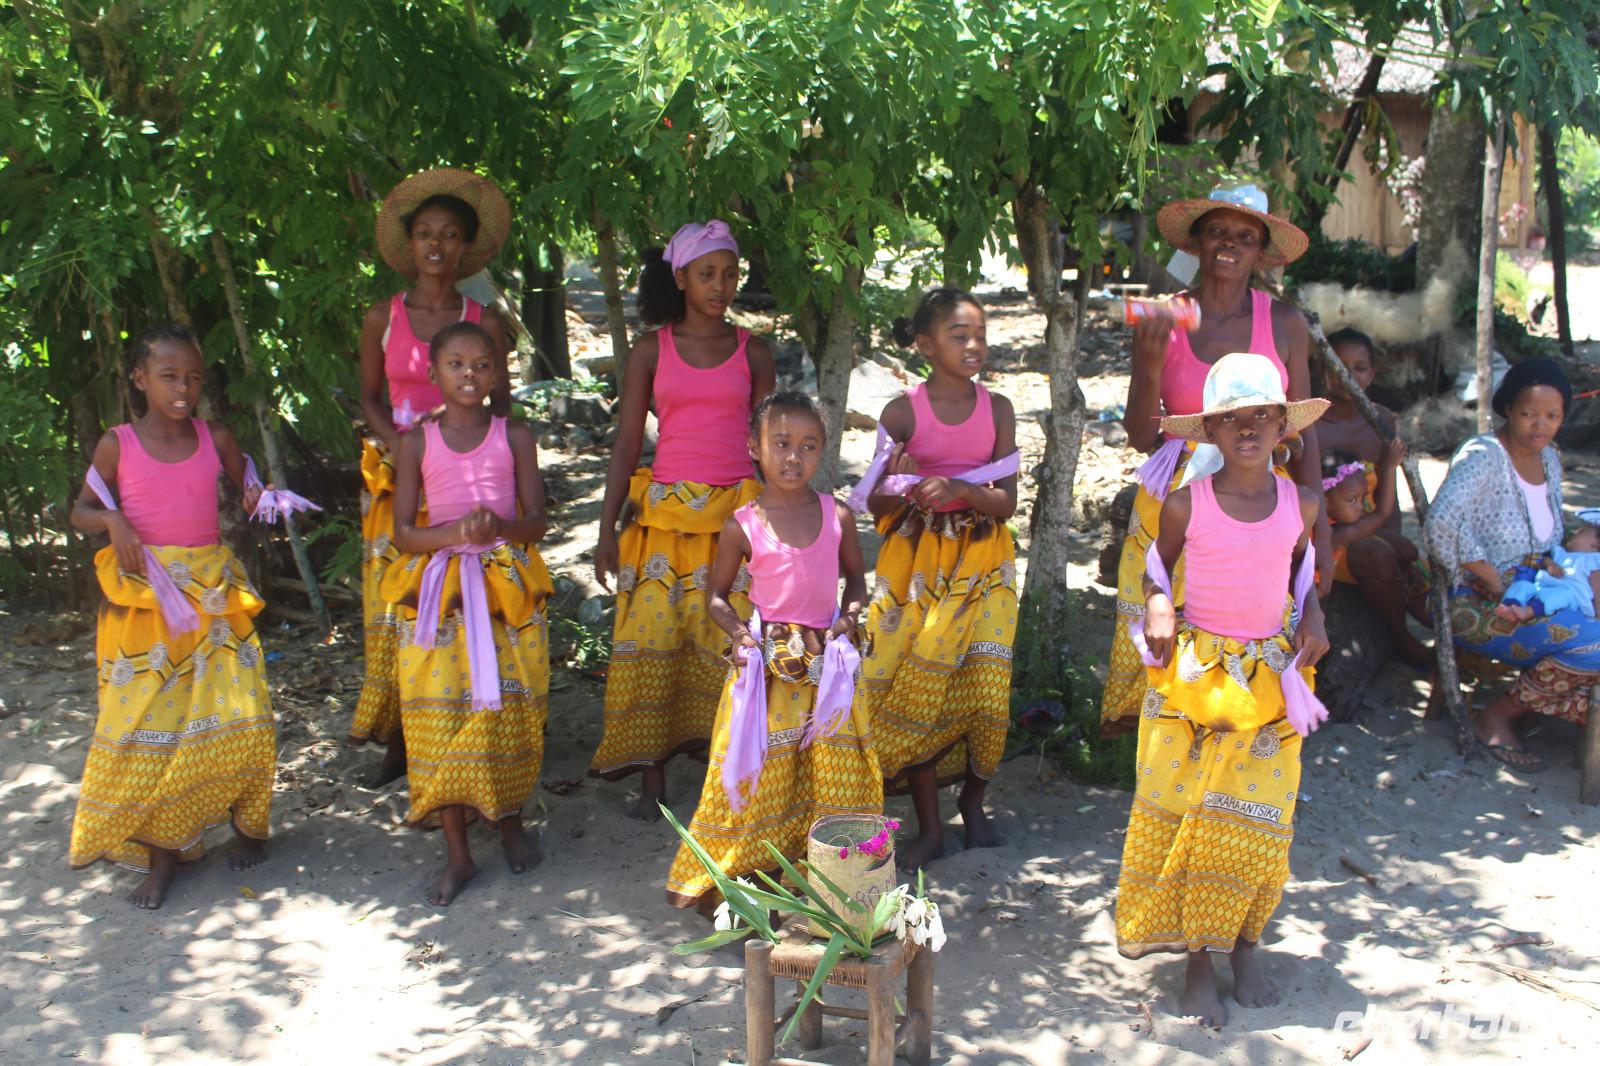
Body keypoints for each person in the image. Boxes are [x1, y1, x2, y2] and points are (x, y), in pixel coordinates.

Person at [1114, 352, 1330, 1029]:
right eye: (1231, 419)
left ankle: (1246, 945)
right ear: (1209, 430)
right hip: (1197, 681)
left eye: (1261, 415)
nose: (1248, 428)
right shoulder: (1186, 503)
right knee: (1194, 819)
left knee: (1259, 823)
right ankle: (1198, 962)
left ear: (1281, 428)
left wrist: (1316, 620)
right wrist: (1157, 606)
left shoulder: (1304, 502)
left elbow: (1305, 580)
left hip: (1268, 682)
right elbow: (1156, 571)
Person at [1102, 184, 1330, 738]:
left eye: (1245, 237)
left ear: (1260, 252)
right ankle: (1161, 754)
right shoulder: (1164, 318)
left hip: (1259, 496)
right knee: (1159, 621)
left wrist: (1321, 526)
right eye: (1218, 232)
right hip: (1175, 498)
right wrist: (1153, 360)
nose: (1230, 244)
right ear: (1198, 243)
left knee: (1248, 623)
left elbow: (1303, 432)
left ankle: (1238, 752)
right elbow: (1138, 436)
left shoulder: (1285, 323)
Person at [68, 325, 277, 910]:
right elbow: (81, 508)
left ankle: (249, 828)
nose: (183, 387)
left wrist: (257, 491)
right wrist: (114, 523)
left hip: (212, 594)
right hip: (148, 604)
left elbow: (247, 476)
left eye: (193, 377)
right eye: (168, 376)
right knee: (158, 725)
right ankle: (163, 855)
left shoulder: (216, 436)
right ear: (140, 378)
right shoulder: (119, 444)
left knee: (239, 710)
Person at [589, 221, 776, 820]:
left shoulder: (755, 352)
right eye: (707, 274)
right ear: (680, 278)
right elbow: (625, 444)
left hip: (734, 520)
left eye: (729, 273)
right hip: (663, 523)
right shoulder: (652, 349)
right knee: (655, 641)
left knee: (732, 646)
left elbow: (771, 444)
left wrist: (783, 530)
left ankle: (727, 776)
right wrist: (604, 528)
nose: (721, 286)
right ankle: (652, 780)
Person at [665, 392, 880, 911]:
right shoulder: (742, 523)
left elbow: (856, 582)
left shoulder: (839, 517)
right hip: (766, 673)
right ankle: (733, 882)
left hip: (826, 670)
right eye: (781, 443)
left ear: (823, 453)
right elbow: (716, 596)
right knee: (757, 776)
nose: (793, 457)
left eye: (808, 446)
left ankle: (827, 882)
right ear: (754, 448)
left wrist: (849, 619)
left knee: (829, 771)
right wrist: (740, 635)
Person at [351, 168, 512, 788]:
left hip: (465, 485)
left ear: (465, 245)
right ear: (409, 243)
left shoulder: (483, 320)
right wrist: (403, 448)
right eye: (424, 234)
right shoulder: (381, 318)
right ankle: (399, 740)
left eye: (449, 234)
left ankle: (465, 729)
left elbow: (502, 408)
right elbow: (369, 397)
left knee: (461, 608)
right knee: (398, 607)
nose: (436, 245)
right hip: (398, 479)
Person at [381, 321, 550, 905]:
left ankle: (509, 822)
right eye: (456, 364)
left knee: (509, 708)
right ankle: (457, 852)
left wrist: (499, 529)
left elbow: (537, 521)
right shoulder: (414, 443)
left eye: (482, 364)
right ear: (433, 374)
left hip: (505, 590)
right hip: (441, 596)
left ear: (497, 373)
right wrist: (454, 532)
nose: (470, 375)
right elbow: (403, 533)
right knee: (438, 719)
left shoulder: (516, 436)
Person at [853, 288, 1019, 870]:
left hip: (983, 566)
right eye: (959, 335)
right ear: (924, 345)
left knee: (985, 688)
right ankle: (930, 825)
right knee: (916, 683)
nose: (975, 345)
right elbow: (871, 502)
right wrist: (895, 481)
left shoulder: (997, 409)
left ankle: (974, 807)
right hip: (917, 570)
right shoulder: (902, 413)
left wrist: (962, 490)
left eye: (981, 334)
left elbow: (1007, 501)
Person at [1425, 358, 1600, 771]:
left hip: (1537, 590)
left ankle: (1553, 699)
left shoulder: (1550, 459)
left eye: (1552, 416)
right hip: (1478, 602)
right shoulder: (1484, 455)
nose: (1541, 426)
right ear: (1507, 407)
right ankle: (1498, 715)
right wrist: (1491, 577)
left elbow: (1551, 536)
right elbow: (1441, 522)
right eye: (1529, 414)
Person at [1323, 444, 1433, 670]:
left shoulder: (1337, 522)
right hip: (1312, 596)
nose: (1361, 507)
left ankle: (1451, 634)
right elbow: (1381, 514)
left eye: (1364, 497)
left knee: (1412, 570)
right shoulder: (1335, 534)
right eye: (1352, 500)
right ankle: (1407, 638)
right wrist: (1390, 468)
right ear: (1323, 500)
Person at [1496, 523, 1600, 621]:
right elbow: (1542, 559)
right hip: (1541, 586)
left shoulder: (1594, 559)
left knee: (1561, 595)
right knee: (1521, 585)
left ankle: (1528, 611)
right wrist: (1550, 564)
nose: (1572, 535)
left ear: (1596, 543)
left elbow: (1597, 585)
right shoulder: (1561, 552)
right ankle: (1510, 606)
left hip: (1572, 595)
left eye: (1578, 534)